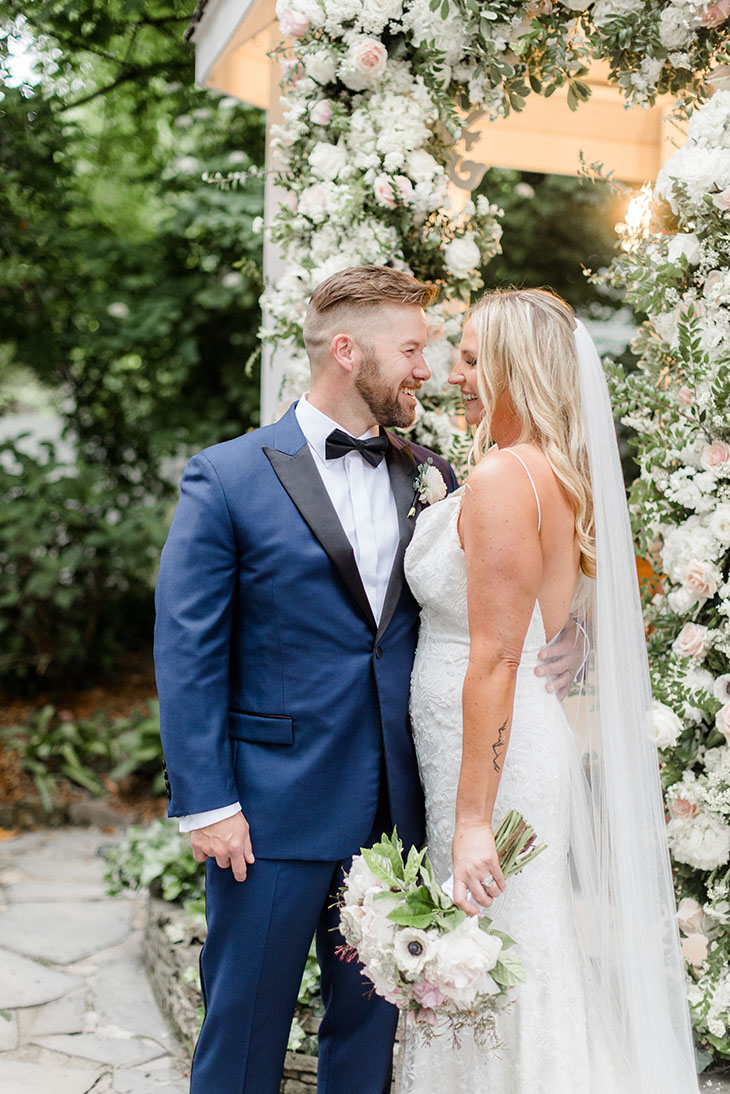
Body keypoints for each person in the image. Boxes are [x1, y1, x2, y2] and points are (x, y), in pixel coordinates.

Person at [154, 265, 580, 1094]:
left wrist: (574, 636)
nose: (428, 368)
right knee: (242, 1032)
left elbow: (493, 602)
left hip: (397, 813)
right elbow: (187, 648)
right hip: (269, 815)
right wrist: (208, 802)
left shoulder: (435, 475)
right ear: (347, 351)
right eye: (412, 349)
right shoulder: (228, 476)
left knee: (370, 1042)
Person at [401, 288, 699, 1093]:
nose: (453, 375)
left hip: (491, 766)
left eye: (469, 357)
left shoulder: (503, 475)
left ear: (511, 366)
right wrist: (578, 635)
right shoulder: (558, 473)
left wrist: (470, 820)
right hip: (511, 744)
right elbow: (561, 616)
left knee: (496, 948)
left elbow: (497, 657)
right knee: (514, 949)